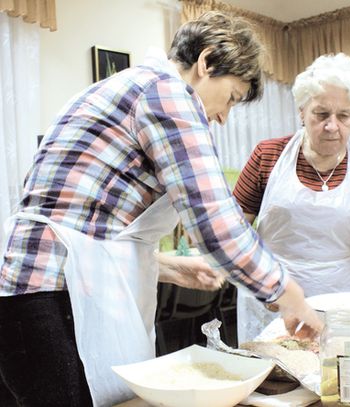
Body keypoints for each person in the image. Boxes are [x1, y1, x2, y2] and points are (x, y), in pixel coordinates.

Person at [0, 11, 322, 407]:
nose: (223, 116)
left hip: (38, 291)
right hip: (46, 295)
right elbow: (215, 223)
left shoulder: (130, 87)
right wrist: (289, 295)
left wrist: (166, 266)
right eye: (231, 98)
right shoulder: (165, 92)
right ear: (205, 63)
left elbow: (92, 219)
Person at [233, 53, 350, 343]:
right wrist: (263, 284)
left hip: (341, 299)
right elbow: (234, 231)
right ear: (302, 111)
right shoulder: (268, 155)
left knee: (340, 374)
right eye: (321, 114)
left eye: (344, 116)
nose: (331, 126)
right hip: (273, 297)